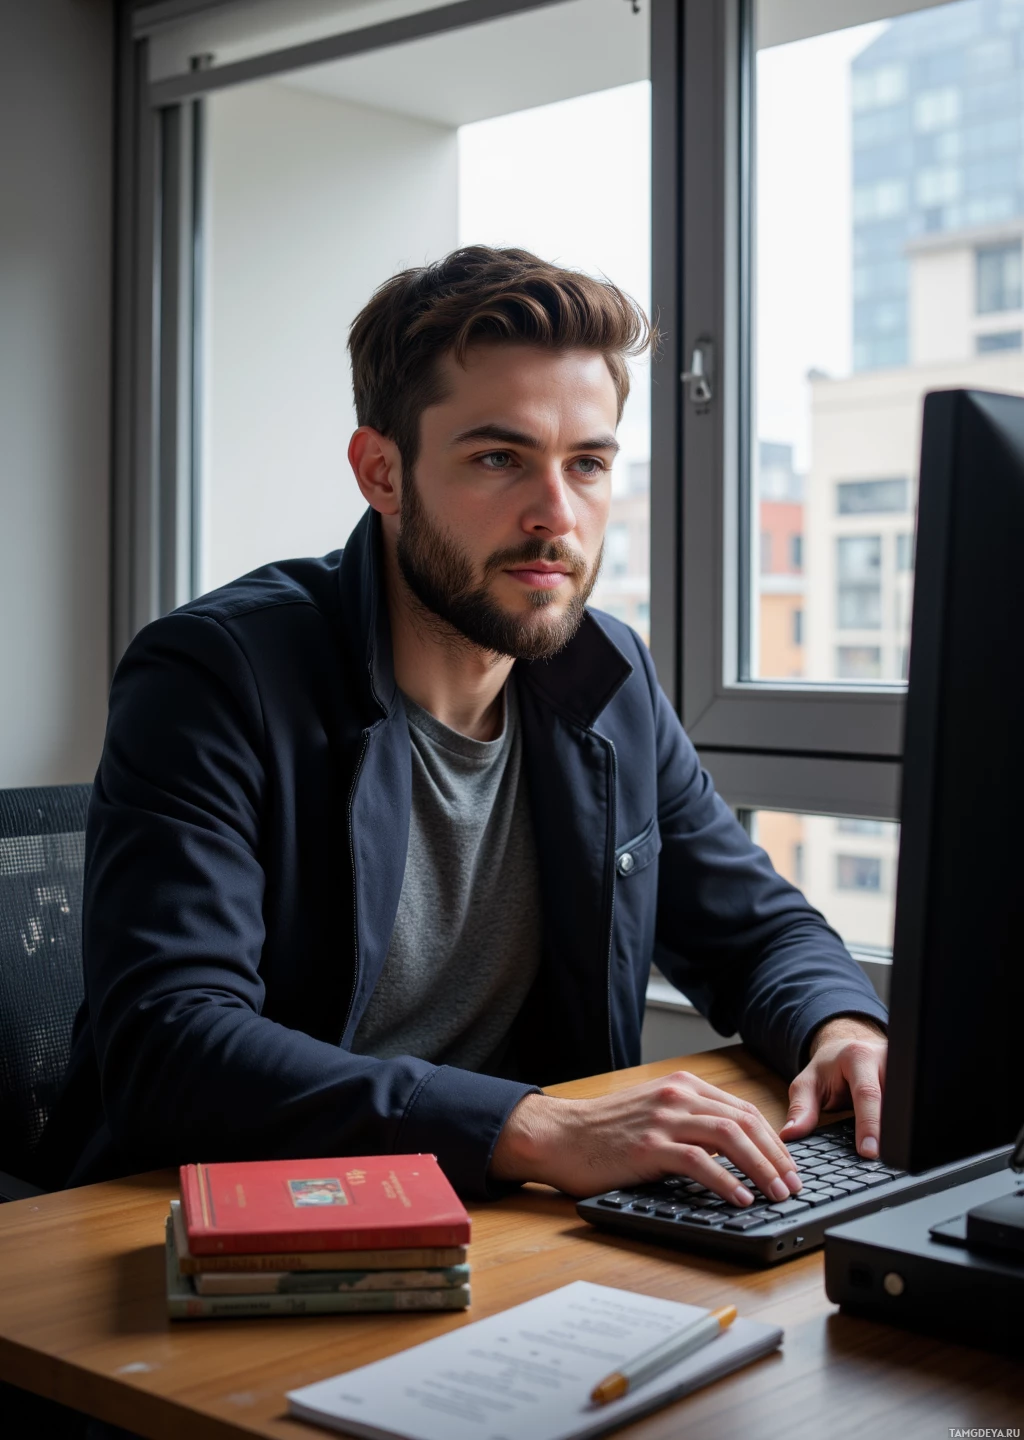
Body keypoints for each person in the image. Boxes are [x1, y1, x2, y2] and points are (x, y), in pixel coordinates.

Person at [40, 246, 889, 1210]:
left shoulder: (606, 676)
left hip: (499, 1220)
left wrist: (842, 1029)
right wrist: (532, 1126)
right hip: (223, 1226)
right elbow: (173, 1045)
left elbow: (751, 930)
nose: (555, 516)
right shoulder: (215, 676)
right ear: (382, 474)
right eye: (500, 458)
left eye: (589, 464)